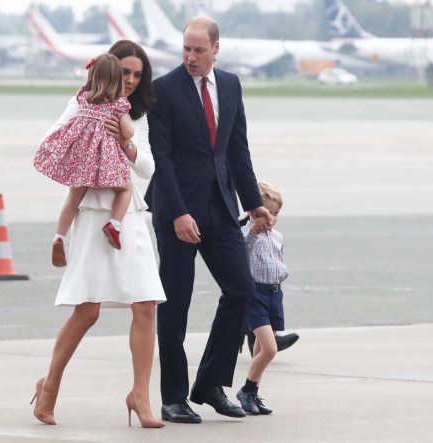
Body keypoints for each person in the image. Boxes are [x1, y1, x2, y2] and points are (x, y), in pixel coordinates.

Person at [31, 40, 167, 429]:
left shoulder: (134, 113)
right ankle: (50, 386)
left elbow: (148, 169)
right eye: (124, 72)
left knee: (146, 304)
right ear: (107, 69)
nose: (130, 81)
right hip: (91, 212)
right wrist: (89, 137)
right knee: (87, 310)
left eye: (137, 75)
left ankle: (140, 396)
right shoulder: (83, 102)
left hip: (129, 215)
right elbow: (50, 143)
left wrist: (125, 143)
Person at [145, 16, 272, 423]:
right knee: (175, 306)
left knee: (241, 291)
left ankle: (210, 384)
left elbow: (238, 149)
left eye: (199, 50)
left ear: (216, 49)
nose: (191, 57)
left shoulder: (231, 85)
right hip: (176, 212)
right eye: (186, 48)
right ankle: (172, 396)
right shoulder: (163, 90)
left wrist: (254, 203)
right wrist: (179, 212)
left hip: (220, 207)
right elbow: (161, 159)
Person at [33, 54, 134, 265]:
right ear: (117, 79)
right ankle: (113, 225)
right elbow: (129, 132)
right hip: (103, 163)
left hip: (80, 160)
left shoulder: (83, 97)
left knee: (73, 199)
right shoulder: (118, 104)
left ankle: (59, 236)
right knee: (125, 188)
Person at [236, 181, 288, 415]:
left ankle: (253, 392)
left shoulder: (277, 236)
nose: (271, 219)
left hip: (275, 293)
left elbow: (277, 259)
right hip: (255, 294)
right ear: (252, 212)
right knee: (270, 348)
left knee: (260, 350)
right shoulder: (245, 233)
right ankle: (246, 390)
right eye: (266, 214)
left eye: (275, 213)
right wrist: (254, 233)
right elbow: (241, 255)